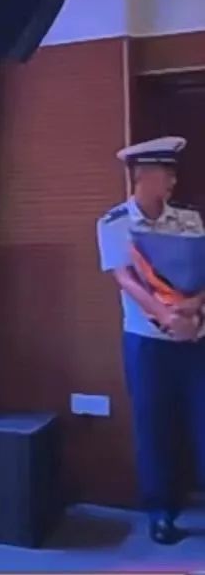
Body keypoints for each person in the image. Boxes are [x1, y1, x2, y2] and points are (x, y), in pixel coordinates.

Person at [96, 135, 205, 545]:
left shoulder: (189, 220)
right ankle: (161, 513)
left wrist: (193, 308)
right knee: (155, 428)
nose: (172, 182)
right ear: (142, 176)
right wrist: (166, 316)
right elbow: (125, 279)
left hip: (196, 337)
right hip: (148, 342)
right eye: (165, 173)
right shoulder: (114, 223)